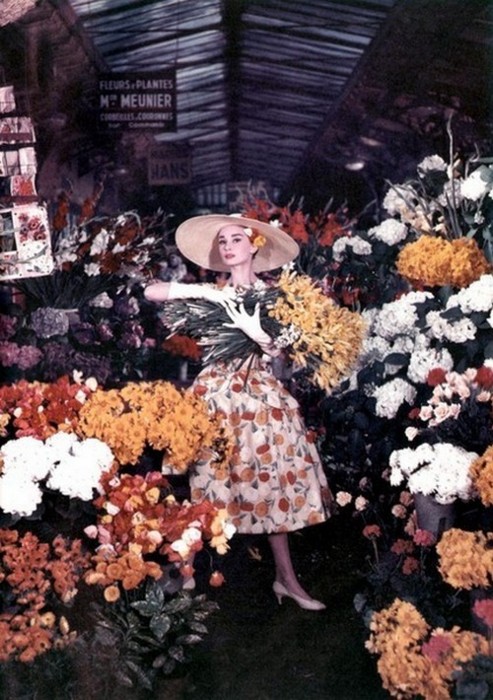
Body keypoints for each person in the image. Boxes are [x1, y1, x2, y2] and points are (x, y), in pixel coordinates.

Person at [144, 213, 332, 611]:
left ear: (253, 246)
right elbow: (151, 290)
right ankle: (185, 577)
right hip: (216, 395)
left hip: (259, 396)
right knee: (208, 484)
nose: (228, 247)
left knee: (272, 482)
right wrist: (213, 296)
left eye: (235, 240)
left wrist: (261, 337)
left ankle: (287, 579)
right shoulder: (213, 292)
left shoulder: (276, 296)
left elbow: (283, 356)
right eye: (223, 242)